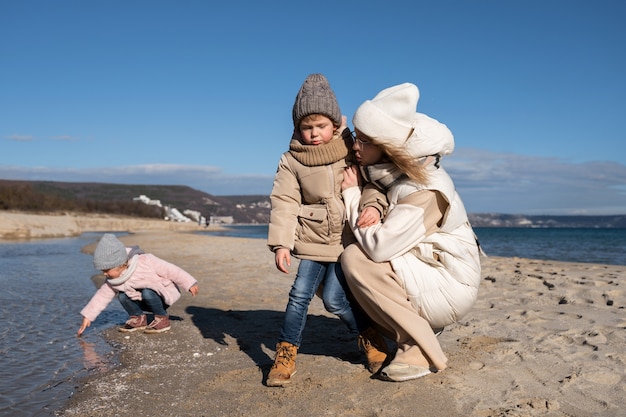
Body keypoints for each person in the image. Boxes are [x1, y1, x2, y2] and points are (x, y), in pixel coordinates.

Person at [340, 82, 482, 382]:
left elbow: (379, 247)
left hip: (450, 284)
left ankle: (417, 349)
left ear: (387, 147)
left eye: (364, 141)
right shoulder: (391, 173)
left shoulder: (427, 188)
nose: (355, 146)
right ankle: (414, 327)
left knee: (356, 258)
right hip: (427, 267)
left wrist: (352, 194)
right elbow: (376, 189)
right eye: (356, 136)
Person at [266, 73, 389, 387]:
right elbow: (284, 201)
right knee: (299, 297)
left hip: (349, 240)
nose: (314, 134)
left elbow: (374, 182)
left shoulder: (352, 148)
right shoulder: (291, 160)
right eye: (306, 127)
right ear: (297, 128)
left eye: (320, 126)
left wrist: (375, 207)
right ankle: (286, 352)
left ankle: (368, 336)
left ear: (335, 124)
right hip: (311, 240)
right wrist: (281, 244)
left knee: (335, 300)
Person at [77, 233, 199, 336]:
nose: (104, 274)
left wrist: (189, 283)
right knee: (122, 296)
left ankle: (162, 318)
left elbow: (170, 270)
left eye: (106, 270)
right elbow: (101, 297)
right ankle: (138, 318)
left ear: (120, 264)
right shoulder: (112, 279)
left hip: (160, 297)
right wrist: (88, 316)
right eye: (102, 271)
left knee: (147, 292)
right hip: (142, 302)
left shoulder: (145, 261)